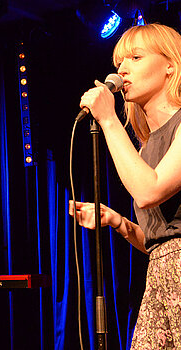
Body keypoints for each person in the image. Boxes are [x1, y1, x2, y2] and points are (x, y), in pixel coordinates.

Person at [69, 23, 181, 349]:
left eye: (135, 56)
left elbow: (149, 191)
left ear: (170, 65)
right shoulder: (147, 147)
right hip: (160, 281)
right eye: (120, 61)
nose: (122, 69)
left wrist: (108, 120)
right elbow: (160, 242)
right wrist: (118, 222)